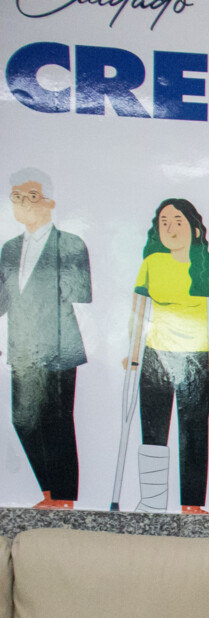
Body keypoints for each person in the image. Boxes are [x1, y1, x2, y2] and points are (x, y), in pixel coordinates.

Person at [124, 198, 209, 513]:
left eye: (177, 221)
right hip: (155, 356)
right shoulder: (152, 264)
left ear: (193, 226)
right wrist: (133, 353)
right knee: (153, 428)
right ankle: (151, 501)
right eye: (164, 222)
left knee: (193, 429)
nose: (171, 228)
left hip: (195, 357)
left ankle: (192, 505)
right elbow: (139, 310)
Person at [1, 169, 89, 508]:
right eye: (17, 197)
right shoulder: (8, 248)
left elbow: (79, 293)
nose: (23, 203)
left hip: (58, 347)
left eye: (31, 196)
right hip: (21, 348)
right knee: (22, 419)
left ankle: (64, 497)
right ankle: (50, 491)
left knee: (56, 421)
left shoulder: (71, 243)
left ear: (50, 201)